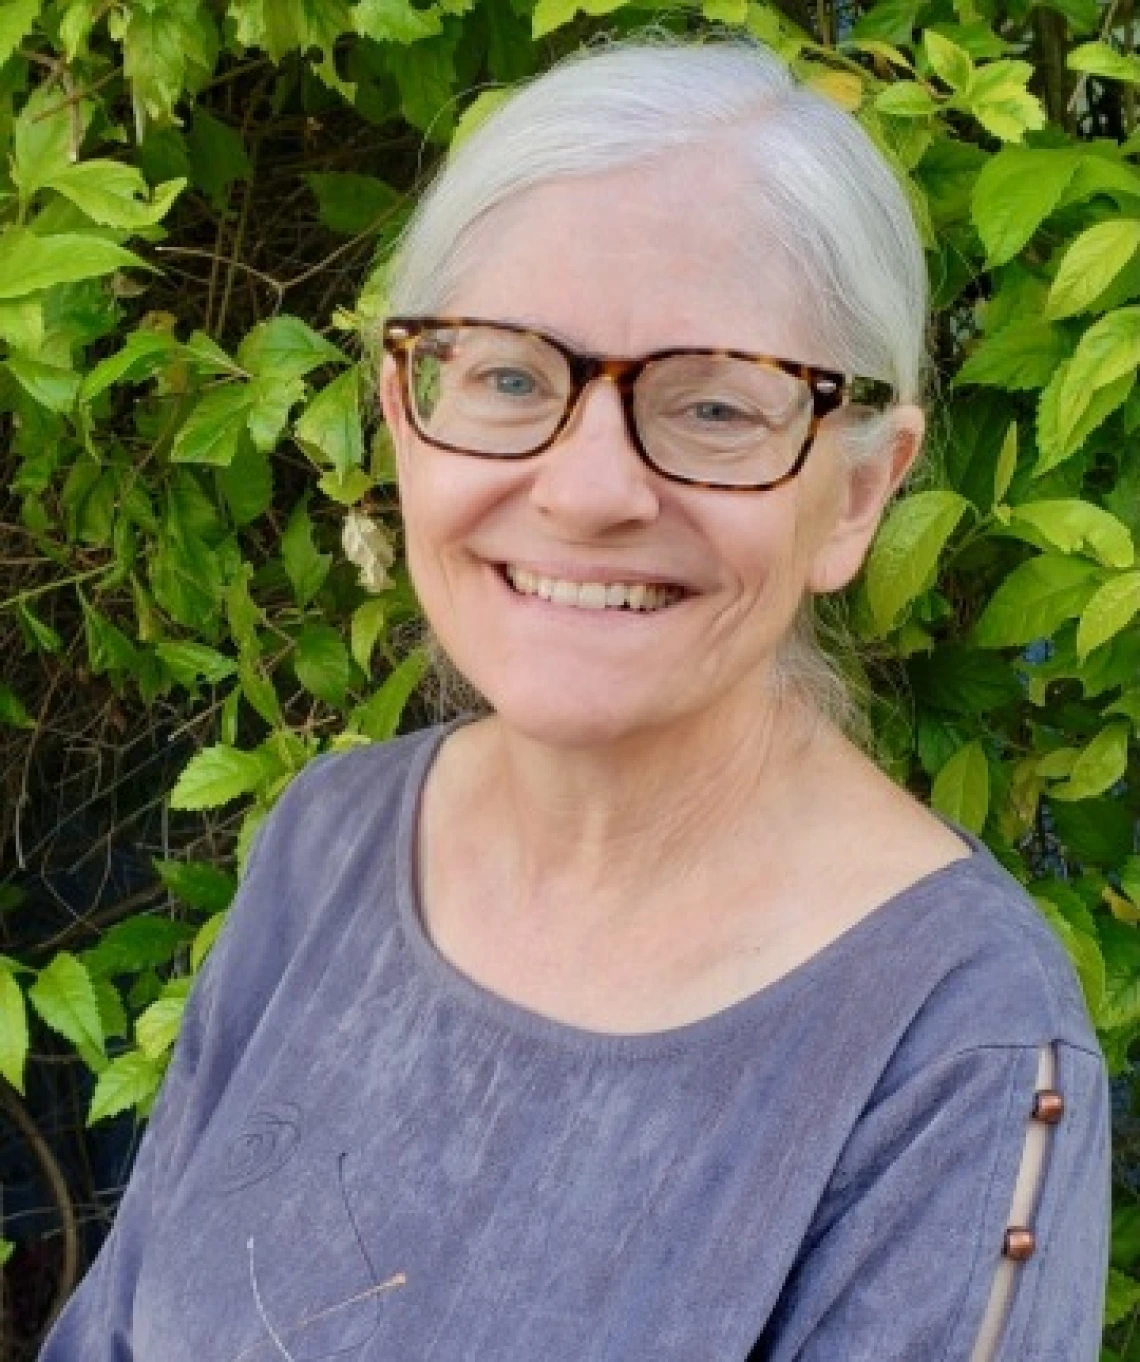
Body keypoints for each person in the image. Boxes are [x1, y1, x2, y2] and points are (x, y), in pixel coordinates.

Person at [41, 37, 1109, 1362]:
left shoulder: (959, 1043)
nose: (588, 488)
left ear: (856, 495)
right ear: (403, 413)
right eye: (506, 378)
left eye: (716, 404)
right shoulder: (330, 839)